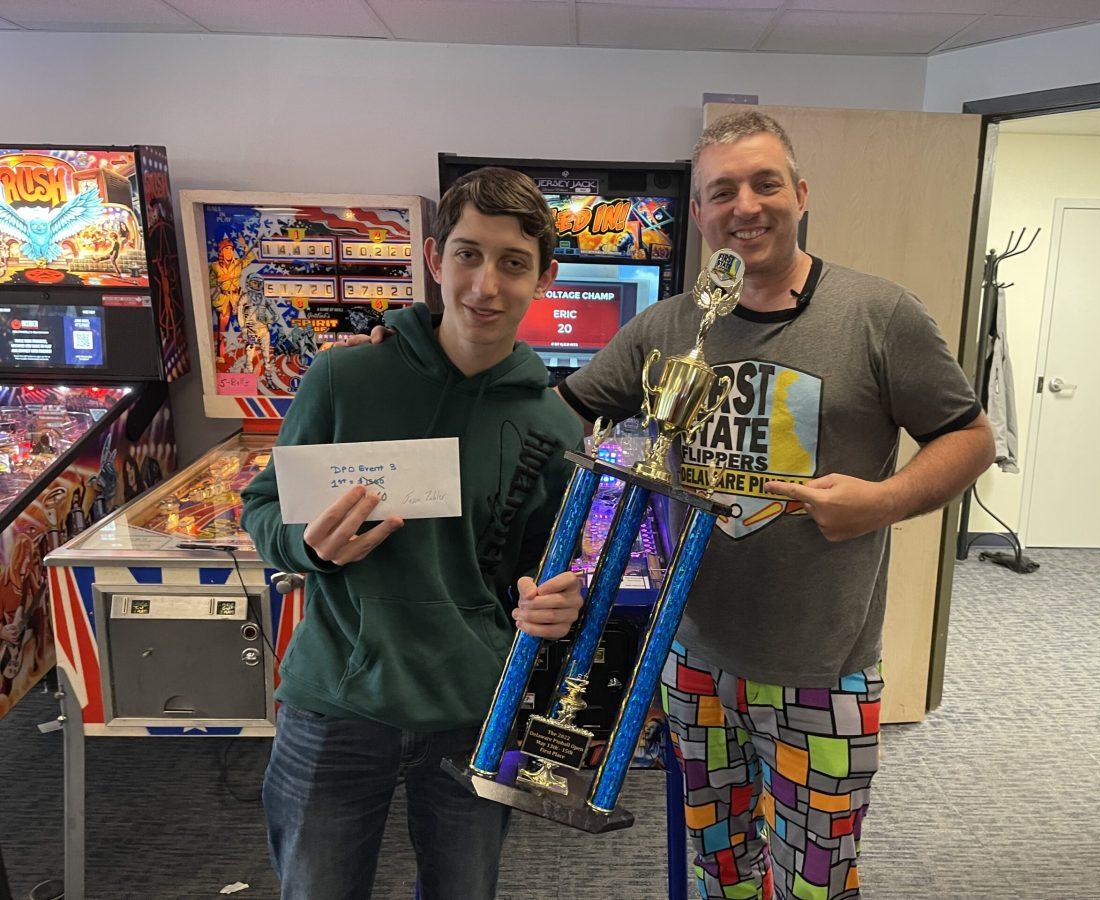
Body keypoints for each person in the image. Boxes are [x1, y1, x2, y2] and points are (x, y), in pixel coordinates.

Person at [554, 112, 995, 898]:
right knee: (720, 867)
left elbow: (970, 438)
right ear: (698, 213)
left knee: (814, 882)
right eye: (722, 191)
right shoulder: (667, 324)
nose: (745, 206)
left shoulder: (878, 314)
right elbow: (562, 413)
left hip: (821, 669)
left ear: (800, 192)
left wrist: (883, 501)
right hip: (691, 658)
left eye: (765, 183)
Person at [240, 167, 586, 900]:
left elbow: (536, 576)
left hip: (471, 714)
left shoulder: (554, 427)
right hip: (335, 706)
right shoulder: (342, 383)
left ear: (544, 277)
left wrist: (559, 607)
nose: (484, 286)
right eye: (467, 254)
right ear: (434, 259)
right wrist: (306, 547)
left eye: (513, 263)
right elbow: (265, 511)